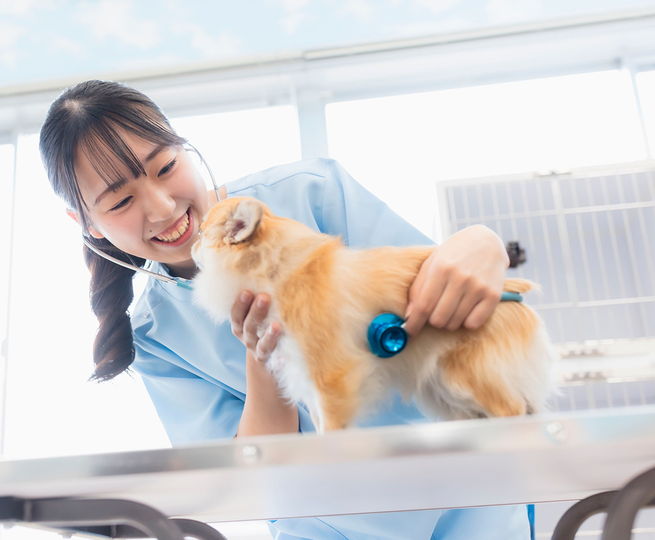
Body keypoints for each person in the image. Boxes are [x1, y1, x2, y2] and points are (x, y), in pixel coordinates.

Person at [39, 79, 533, 540]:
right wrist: (265, 356)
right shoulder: (154, 337)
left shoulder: (310, 194)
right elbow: (250, 476)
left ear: (185, 149)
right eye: (121, 200)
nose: (163, 207)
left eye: (166, 167)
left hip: (470, 487)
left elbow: (449, 302)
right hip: (330, 525)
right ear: (88, 225)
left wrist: (480, 243)